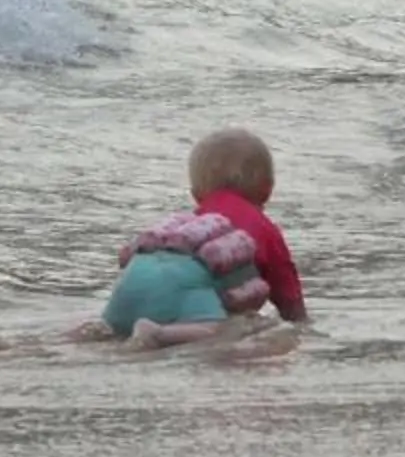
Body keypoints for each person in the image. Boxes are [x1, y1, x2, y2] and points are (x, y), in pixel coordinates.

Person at [81, 127, 308, 348]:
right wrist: (301, 325)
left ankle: (80, 335)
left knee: (111, 330)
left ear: (196, 195)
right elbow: (289, 300)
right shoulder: (266, 229)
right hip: (187, 285)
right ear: (268, 189)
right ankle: (158, 334)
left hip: (135, 274)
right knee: (221, 332)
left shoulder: (196, 222)